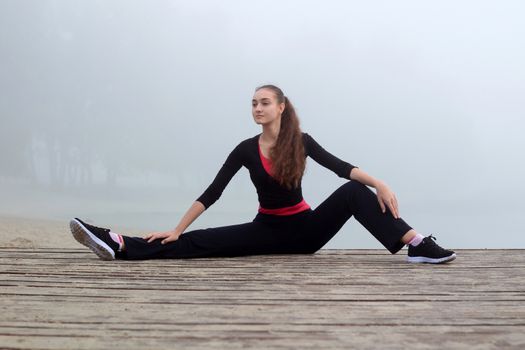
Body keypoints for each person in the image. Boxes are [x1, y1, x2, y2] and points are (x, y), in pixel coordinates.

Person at [70, 84, 456, 264]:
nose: (257, 108)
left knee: (355, 191)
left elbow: (341, 168)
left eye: (264, 102)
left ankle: (416, 244)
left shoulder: (301, 141)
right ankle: (119, 244)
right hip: (267, 229)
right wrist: (177, 228)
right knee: (197, 242)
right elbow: (212, 192)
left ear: (281, 107)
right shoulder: (245, 149)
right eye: (253, 103)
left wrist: (380, 183)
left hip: (306, 230)